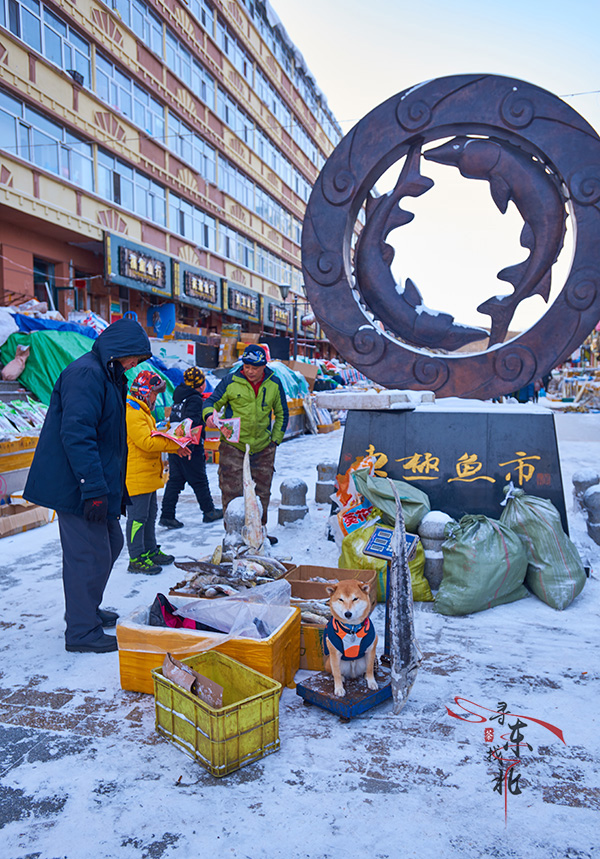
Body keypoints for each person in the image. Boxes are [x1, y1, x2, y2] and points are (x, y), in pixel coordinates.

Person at [23, 318, 152, 653]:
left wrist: (111, 489)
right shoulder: (87, 374)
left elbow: (110, 438)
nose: (135, 365)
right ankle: (81, 631)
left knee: (110, 541)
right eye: (134, 358)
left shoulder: (109, 374)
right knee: (88, 554)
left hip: (97, 482)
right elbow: (77, 436)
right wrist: (92, 490)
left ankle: (86, 609)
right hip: (75, 485)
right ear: (119, 349)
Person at [202, 344, 288, 542]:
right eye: (247, 366)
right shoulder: (230, 380)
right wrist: (209, 414)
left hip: (263, 446)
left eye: (255, 367)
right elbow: (211, 402)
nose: (250, 371)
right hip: (233, 446)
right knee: (231, 490)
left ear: (264, 366)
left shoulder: (274, 382)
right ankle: (233, 534)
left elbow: (283, 413)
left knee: (261, 492)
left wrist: (275, 440)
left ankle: (259, 532)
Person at [125, 370, 191, 574]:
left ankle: (150, 550)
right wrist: (174, 444)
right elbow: (146, 442)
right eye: (154, 393)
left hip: (148, 474)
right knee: (137, 518)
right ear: (144, 391)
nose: (156, 397)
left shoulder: (143, 411)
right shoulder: (133, 413)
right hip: (136, 476)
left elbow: (151, 435)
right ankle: (136, 557)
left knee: (150, 515)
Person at [159, 366, 223, 529]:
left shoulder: (179, 396)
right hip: (189, 446)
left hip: (176, 444)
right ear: (201, 385)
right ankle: (209, 511)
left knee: (175, 481)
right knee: (199, 479)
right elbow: (192, 422)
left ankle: (167, 514)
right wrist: (191, 446)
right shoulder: (194, 399)